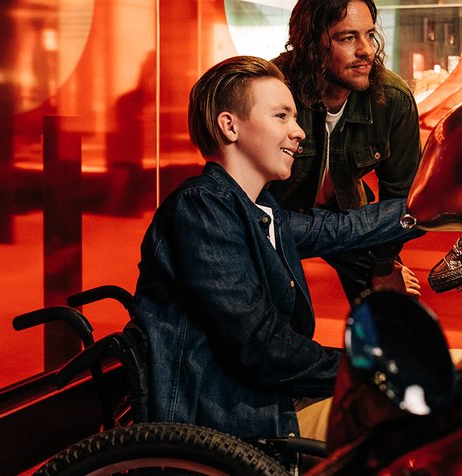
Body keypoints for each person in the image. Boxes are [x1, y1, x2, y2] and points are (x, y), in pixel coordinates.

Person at [132, 56, 421, 442]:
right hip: (236, 424)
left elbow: (343, 227)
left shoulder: (260, 211)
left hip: (270, 404)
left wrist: (427, 208)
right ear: (229, 126)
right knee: (429, 400)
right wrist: (370, 369)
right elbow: (261, 348)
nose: (299, 132)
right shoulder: (200, 209)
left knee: (449, 374)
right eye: (282, 116)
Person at [270, 0, 423, 303]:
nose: (366, 50)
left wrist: (383, 265)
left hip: (342, 212)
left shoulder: (391, 98)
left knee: (394, 304)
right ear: (311, 43)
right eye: (348, 38)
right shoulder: (271, 89)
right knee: (280, 318)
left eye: (369, 35)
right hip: (276, 218)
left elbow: (403, 195)